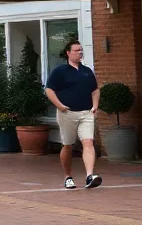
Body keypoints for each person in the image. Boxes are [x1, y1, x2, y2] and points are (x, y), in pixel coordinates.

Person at [44, 40, 102, 190]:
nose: (80, 53)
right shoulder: (60, 71)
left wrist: (95, 106)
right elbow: (49, 90)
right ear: (68, 53)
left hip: (86, 113)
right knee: (68, 145)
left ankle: (90, 176)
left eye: (81, 50)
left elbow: (95, 90)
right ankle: (68, 176)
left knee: (88, 142)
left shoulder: (87, 71)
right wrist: (60, 106)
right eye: (76, 50)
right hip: (67, 113)